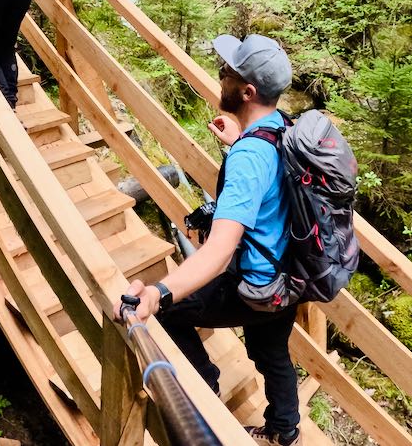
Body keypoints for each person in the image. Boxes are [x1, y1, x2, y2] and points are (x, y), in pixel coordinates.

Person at [125, 33, 301, 446]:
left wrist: (160, 292)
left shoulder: (250, 156)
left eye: (227, 72)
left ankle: (203, 398)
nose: (220, 77)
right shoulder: (282, 130)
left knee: (170, 314)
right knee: (272, 350)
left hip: (256, 282)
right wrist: (239, 141)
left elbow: (220, 251)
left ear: (247, 91)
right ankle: (283, 430)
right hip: (290, 274)